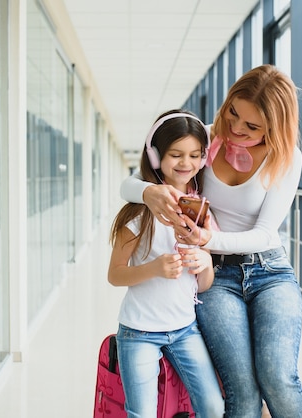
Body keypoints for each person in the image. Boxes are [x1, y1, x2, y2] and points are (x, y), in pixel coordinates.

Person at [120, 65, 302, 418]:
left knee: (278, 376)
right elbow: (129, 185)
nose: (236, 129)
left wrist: (209, 238)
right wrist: (149, 192)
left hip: (269, 268)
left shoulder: (287, 157)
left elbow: (265, 234)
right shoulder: (207, 139)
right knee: (240, 387)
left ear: (274, 127)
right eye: (233, 113)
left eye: (252, 126)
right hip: (216, 277)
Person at [108, 110, 225, 418]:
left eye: (195, 155)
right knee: (141, 413)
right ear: (156, 156)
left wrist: (205, 263)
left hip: (185, 329)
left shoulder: (201, 212)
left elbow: (204, 284)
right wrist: (155, 268)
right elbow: (115, 275)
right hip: (139, 331)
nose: (186, 163)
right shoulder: (137, 212)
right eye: (176, 154)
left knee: (213, 408)